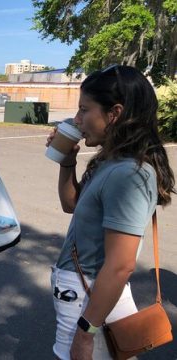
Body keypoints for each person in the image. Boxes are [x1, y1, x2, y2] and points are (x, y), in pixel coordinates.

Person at [47, 65, 175, 359]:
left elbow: (120, 265)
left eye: (84, 110)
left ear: (114, 113)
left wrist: (85, 333)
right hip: (86, 293)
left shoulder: (129, 173)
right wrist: (68, 161)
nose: (77, 120)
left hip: (89, 297)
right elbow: (71, 205)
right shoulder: (111, 161)